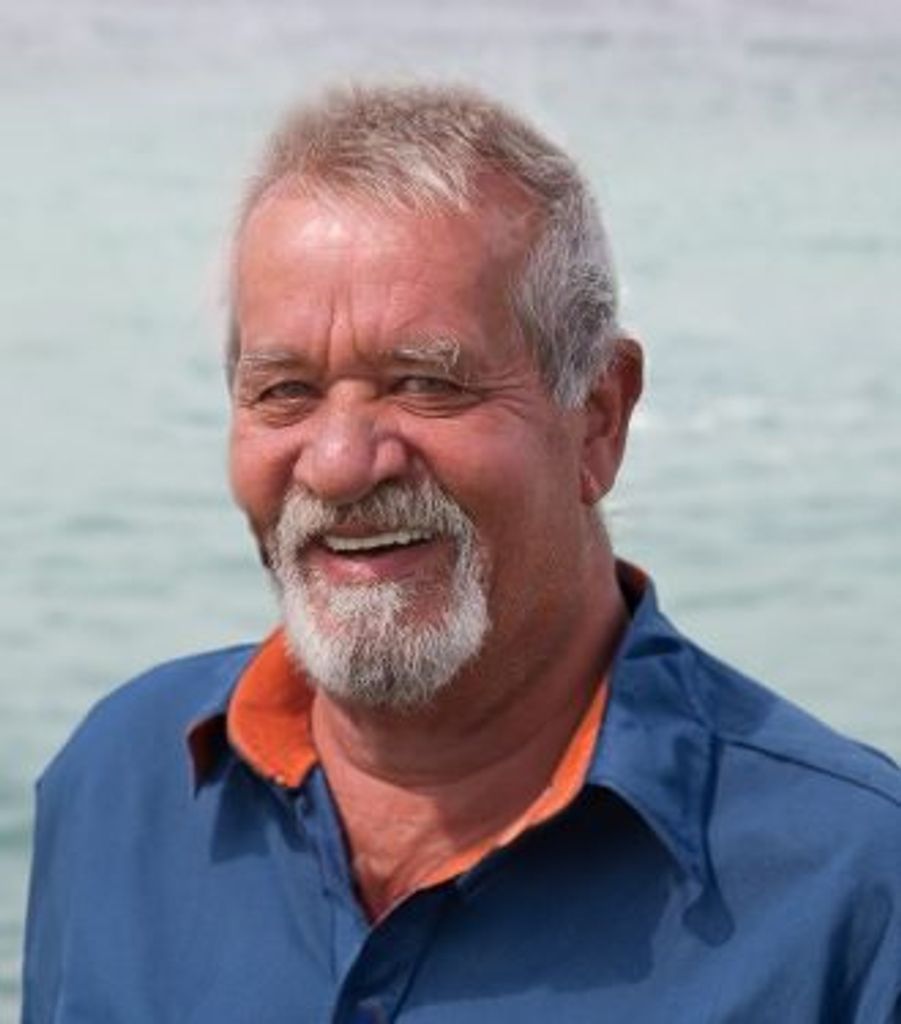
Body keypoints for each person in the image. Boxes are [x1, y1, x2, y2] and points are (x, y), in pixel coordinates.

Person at [22, 83, 901, 1023]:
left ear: (599, 416)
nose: (340, 463)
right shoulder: (121, 782)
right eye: (285, 392)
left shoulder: (851, 890)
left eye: (425, 383)